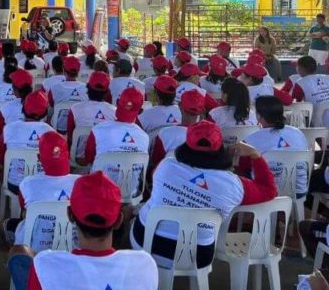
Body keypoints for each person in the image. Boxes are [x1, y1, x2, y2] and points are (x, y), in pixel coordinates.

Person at [131, 121, 277, 270]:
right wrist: (255, 155)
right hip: (198, 256)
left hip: (147, 244)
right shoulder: (233, 185)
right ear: (220, 148)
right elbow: (269, 189)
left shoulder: (166, 166)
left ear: (185, 145)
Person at [22, 171, 159, 290]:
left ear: (70, 215)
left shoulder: (45, 265)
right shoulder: (145, 265)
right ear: (118, 221)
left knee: (19, 253)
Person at [5, 132, 79, 250]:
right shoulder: (82, 183)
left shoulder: (27, 184)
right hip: (73, 248)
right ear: (68, 155)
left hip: (36, 248)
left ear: (39, 158)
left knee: (9, 224)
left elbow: (25, 211)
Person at [239, 95, 308, 197]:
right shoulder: (298, 133)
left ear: (258, 116)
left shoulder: (250, 140)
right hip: (299, 190)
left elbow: (243, 167)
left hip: (268, 193)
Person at [0, 90, 55, 193]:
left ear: (23, 109)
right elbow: (55, 162)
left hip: (14, 184)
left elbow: (2, 157)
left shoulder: (9, 129)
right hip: (42, 186)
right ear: (45, 112)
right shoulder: (51, 133)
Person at [67, 71, 116, 159]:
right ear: (107, 91)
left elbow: (71, 137)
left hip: (78, 159)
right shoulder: (114, 111)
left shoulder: (74, 108)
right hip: (103, 160)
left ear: (88, 87)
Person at [151, 89, 206, 166]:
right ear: (202, 110)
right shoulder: (209, 137)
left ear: (180, 106)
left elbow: (156, 164)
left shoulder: (164, 134)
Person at [47, 56, 86, 132]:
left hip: (58, 127)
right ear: (78, 71)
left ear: (64, 70)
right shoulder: (86, 88)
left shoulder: (54, 88)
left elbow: (51, 106)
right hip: (78, 127)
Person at [292, 55, 329, 126]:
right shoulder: (327, 78)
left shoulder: (300, 83)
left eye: (297, 66)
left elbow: (296, 102)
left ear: (300, 68)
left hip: (318, 124)